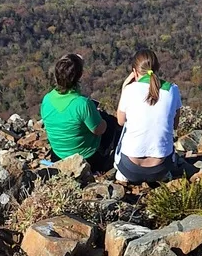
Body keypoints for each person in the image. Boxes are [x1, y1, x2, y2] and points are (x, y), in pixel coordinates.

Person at [41, 53, 120, 171]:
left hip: (58, 156)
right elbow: (99, 130)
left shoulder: (47, 99)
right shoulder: (82, 104)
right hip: (85, 159)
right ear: (79, 77)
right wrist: (100, 117)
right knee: (111, 122)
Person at [115, 47, 182, 184]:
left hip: (130, 168)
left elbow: (120, 121)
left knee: (127, 126)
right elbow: (175, 125)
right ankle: (165, 175)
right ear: (157, 68)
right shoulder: (172, 90)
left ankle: (122, 174)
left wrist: (124, 87)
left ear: (134, 72)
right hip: (160, 169)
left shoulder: (130, 90)